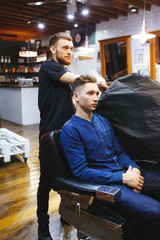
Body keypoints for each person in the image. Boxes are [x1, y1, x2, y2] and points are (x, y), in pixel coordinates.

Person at [60, 75, 160, 240]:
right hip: (105, 188)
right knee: (155, 211)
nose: (95, 98)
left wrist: (134, 170)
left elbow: (119, 151)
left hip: (124, 173)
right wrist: (123, 179)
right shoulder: (70, 130)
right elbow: (81, 172)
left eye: (97, 94)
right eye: (90, 93)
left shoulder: (103, 121)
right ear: (76, 97)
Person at [37, 33, 107, 240]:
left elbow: (81, 90)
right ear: (53, 49)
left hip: (68, 134)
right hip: (49, 135)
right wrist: (96, 79)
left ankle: (68, 216)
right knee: (46, 182)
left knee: (70, 177)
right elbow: (78, 80)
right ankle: (42, 228)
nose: (69, 51)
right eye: (65, 47)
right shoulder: (48, 67)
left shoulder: (64, 71)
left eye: (71, 48)